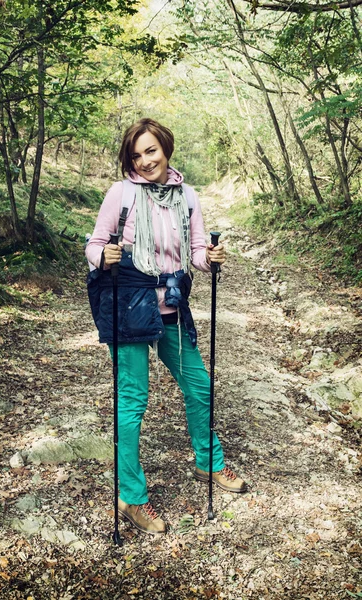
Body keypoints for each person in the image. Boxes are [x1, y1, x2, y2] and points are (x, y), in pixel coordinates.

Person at [85, 118, 246, 535]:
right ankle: (131, 497)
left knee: (198, 384)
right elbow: (94, 243)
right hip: (130, 305)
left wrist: (209, 257)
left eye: (150, 151)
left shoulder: (186, 196)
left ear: (166, 148)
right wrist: (103, 257)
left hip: (172, 304)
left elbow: (194, 251)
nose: (144, 161)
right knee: (133, 399)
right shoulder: (121, 193)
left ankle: (208, 463)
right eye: (136, 155)